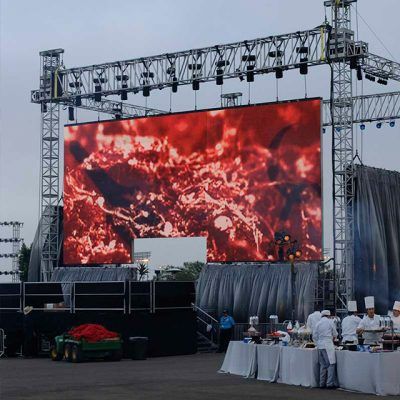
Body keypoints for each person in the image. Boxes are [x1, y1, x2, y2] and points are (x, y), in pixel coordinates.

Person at [313, 310, 338, 389]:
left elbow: (314, 336)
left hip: (320, 345)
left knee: (323, 365)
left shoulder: (318, 323)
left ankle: (321, 383)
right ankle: (329, 384)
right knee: (331, 364)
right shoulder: (330, 322)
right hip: (327, 344)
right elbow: (335, 333)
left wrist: (318, 342)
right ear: (329, 315)